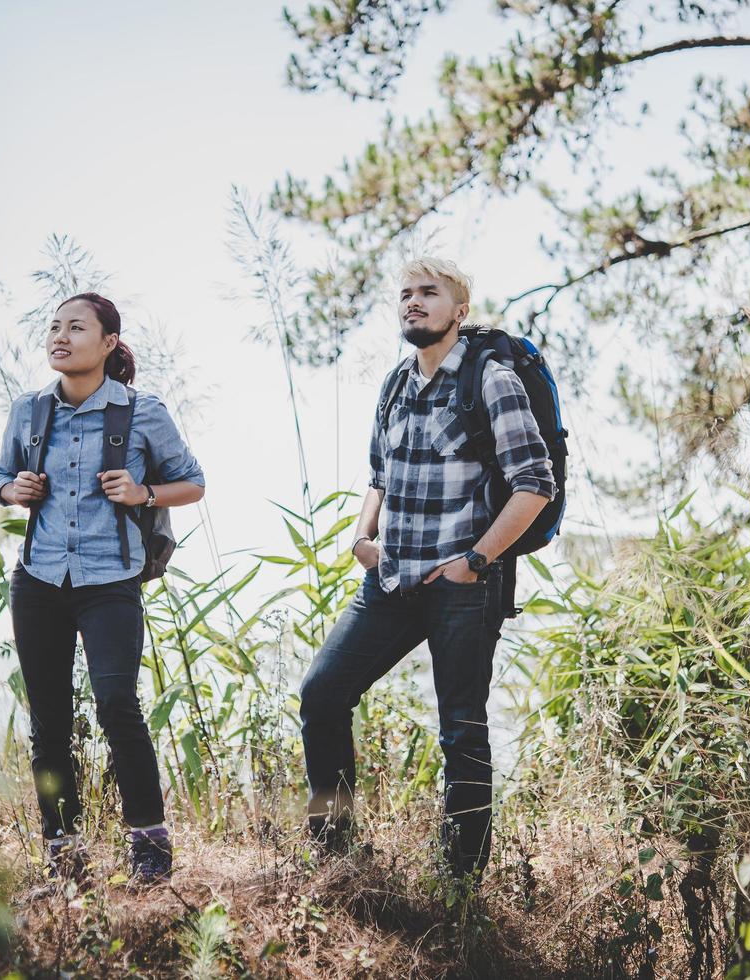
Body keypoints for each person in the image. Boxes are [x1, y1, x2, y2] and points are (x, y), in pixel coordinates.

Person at [298, 257, 556, 882]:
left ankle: (458, 883)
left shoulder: (490, 378)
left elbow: (535, 483)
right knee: (322, 696)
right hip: (389, 580)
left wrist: (474, 561)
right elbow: (379, 477)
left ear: (459, 310)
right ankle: (336, 858)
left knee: (460, 731)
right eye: (406, 294)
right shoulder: (394, 384)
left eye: (429, 293)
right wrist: (363, 534)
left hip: (463, 585)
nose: (413, 302)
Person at [0, 292, 205, 885]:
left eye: (76, 328)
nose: (60, 336)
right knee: (49, 723)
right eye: (54, 327)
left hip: (111, 581)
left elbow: (192, 483)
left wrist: (143, 493)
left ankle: (149, 853)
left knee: (117, 705)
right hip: (37, 582)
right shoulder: (30, 410)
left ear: (109, 343)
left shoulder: (142, 411)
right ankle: (65, 857)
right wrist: (15, 492)